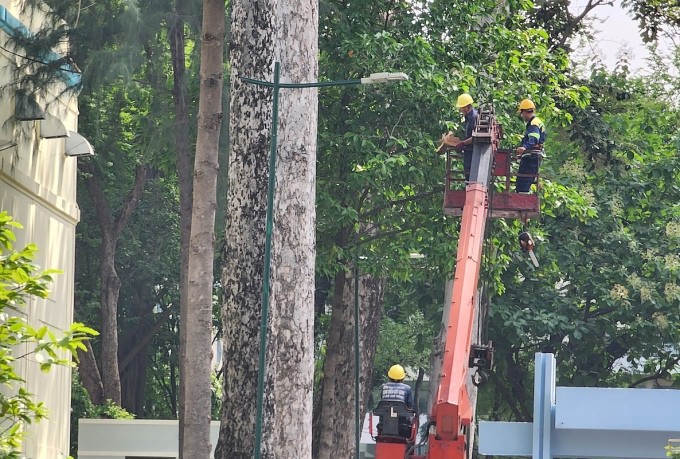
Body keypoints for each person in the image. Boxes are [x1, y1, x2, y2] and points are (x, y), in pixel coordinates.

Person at [515, 99, 546, 193]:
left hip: (531, 157)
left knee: (523, 182)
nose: (522, 116)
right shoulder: (535, 122)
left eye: (522, 113)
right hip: (533, 157)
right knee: (525, 180)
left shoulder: (533, 124)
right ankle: (522, 200)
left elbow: (534, 138)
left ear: (525, 112)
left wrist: (524, 147)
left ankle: (521, 201)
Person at [379, 364, 415, 438]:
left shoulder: (383, 387)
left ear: (389, 376)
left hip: (384, 426)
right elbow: (410, 407)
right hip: (402, 427)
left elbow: (383, 403)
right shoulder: (407, 388)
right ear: (403, 377)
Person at [454, 93, 478, 181]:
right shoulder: (468, 117)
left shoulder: (474, 117)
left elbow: (476, 136)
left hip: (474, 151)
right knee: (467, 173)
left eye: (462, 107)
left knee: (471, 173)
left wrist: (463, 143)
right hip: (469, 150)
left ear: (468, 106)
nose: (461, 109)